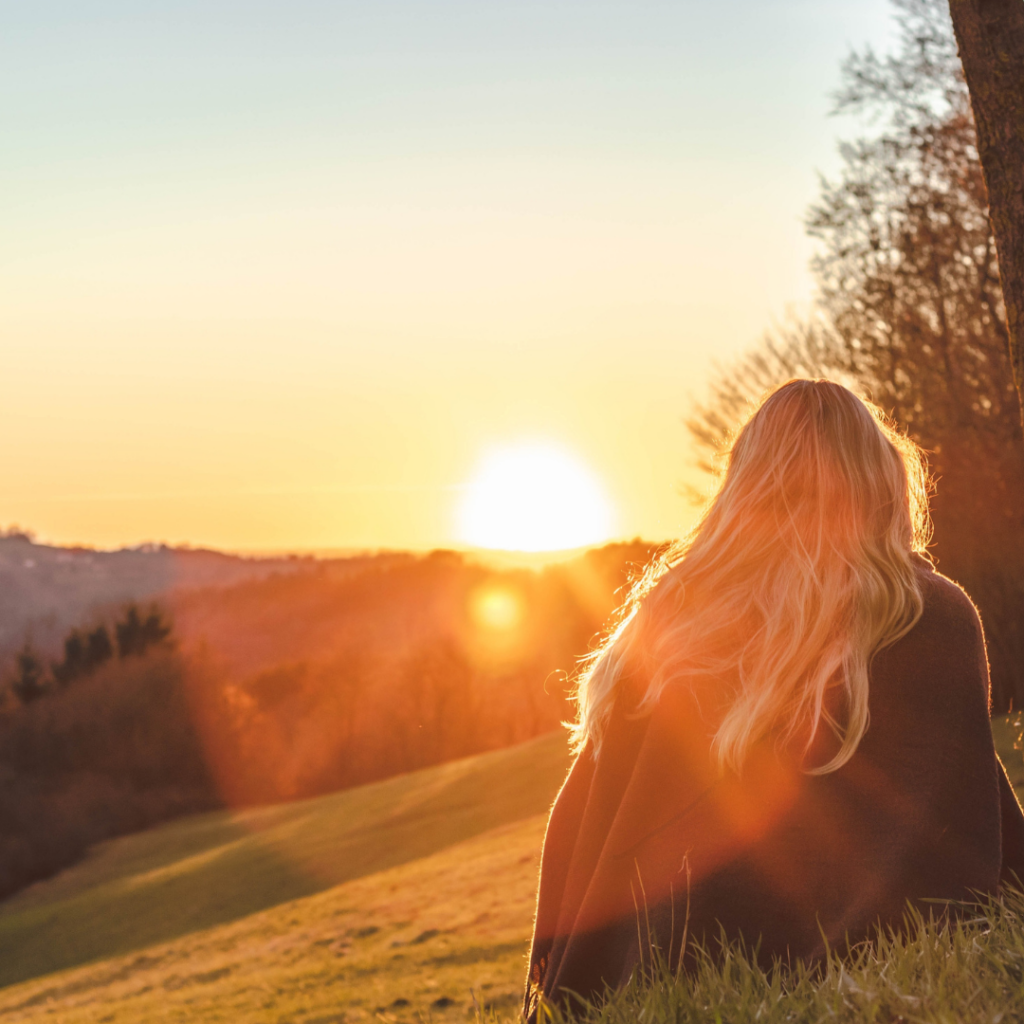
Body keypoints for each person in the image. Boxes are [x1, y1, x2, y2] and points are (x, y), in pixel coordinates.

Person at [524, 379, 1024, 1016]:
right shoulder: (926, 613)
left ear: (743, 486)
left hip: (652, 964)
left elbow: (579, 826)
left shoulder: (666, 620)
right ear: (881, 482)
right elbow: (958, 816)